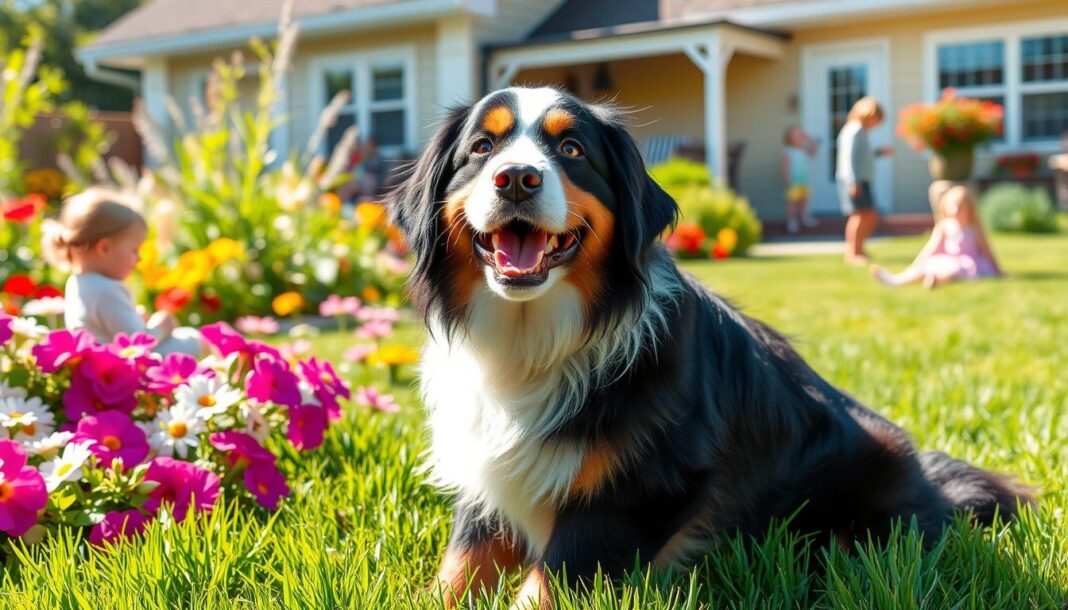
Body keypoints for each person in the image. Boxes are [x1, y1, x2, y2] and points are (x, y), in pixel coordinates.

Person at [41, 187, 202, 355]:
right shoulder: (107, 290)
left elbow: (107, 329)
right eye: (134, 250)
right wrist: (162, 327)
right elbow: (135, 345)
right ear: (104, 248)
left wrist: (134, 316)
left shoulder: (78, 282)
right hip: (124, 368)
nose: (139, 258)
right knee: (194, 339)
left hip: (100, 364)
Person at [870, 186, 1001, 289]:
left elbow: (987, 251)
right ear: (946, 207)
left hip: (967, 264)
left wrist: (999, 271)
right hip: (947, 260)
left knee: (952, 272)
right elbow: (931, 248)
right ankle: (895, 280)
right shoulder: (944, 226)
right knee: (923, 268)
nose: (956, 210)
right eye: (953, 206)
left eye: (961, 206)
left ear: (969, 208)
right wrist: (917, 263)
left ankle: (936, 280)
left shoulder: (974, 229)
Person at [836, 97, 893, 265]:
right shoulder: (854, 130)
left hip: (862, 180)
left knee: (869, 214)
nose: (876, 124)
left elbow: (863, 156)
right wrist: (853, 182)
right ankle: (852, 253)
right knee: (859, 216)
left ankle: (859, 249)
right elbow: (849, 158)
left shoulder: (860, 131)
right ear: (867, 115)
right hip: (855, 181)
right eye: (876, 120)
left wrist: (879, 152)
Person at [781, 126, 820, 233]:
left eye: (800, 136)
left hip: (804, 181)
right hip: (793, 183)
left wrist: (809, 138)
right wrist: (787, 180)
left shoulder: (804, 149)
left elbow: (814, 150)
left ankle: (804, 218)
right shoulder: (788, 151)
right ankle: (792, 221)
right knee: (792, 204)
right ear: (789, 138)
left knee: (804, 201)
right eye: (796, 136)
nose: (798, 138)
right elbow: (785, 167)